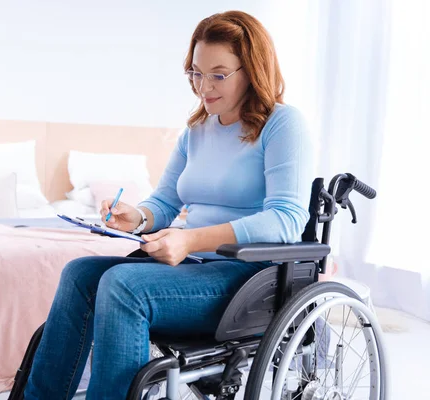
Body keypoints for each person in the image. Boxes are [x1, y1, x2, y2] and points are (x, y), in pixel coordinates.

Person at [24, 10, 314, 400]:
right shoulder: (196, 131)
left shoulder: (282, 124)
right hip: (192, 267)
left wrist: (191, 240)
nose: (203, 86)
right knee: (79, 273)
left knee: (124, 285)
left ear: (252, 69)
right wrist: (138, 216)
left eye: (218, 74)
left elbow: (286, 220)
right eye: (195, 72)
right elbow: (164, 201)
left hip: (247, 276)